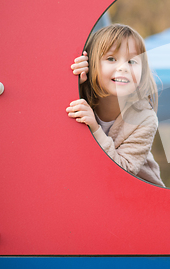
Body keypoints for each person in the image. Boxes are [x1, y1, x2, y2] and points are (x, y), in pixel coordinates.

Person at [66, 24, 164, 187]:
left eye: (132, 61)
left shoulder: (144, 118)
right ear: (91, 64)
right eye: (111, 59)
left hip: (139, 192)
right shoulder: (79, 96)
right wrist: (73, 83)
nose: (123, 68)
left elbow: (124, 172)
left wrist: (95, 129)